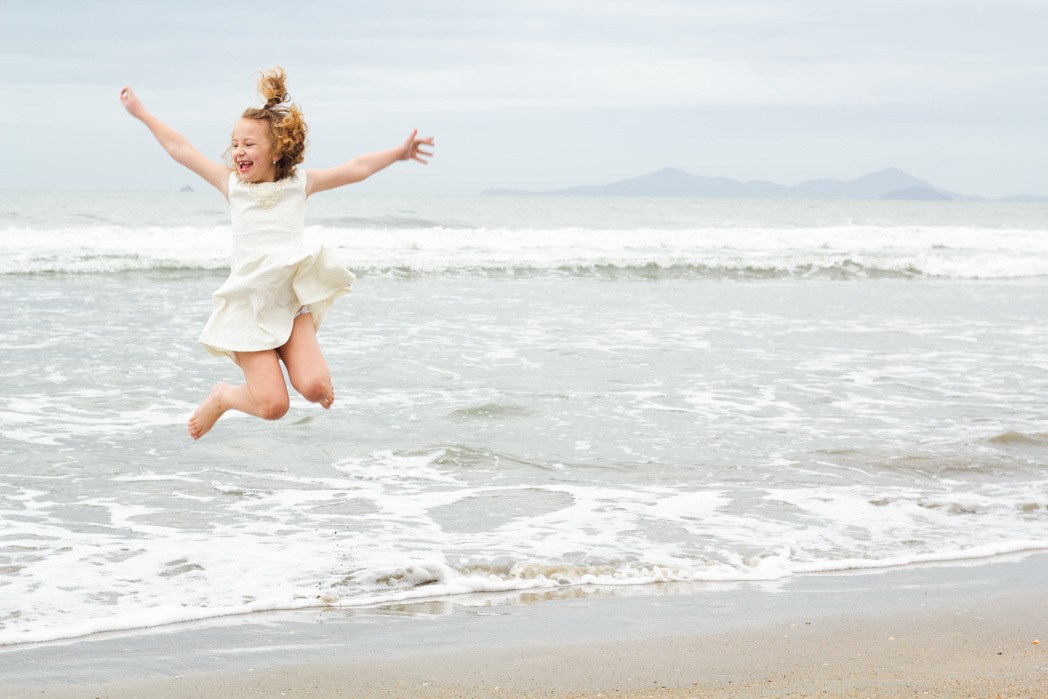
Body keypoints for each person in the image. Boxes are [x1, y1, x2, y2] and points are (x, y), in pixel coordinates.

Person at [120, 67, 434, 440]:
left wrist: (398, 153)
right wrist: (141, 113)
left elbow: (356, 168)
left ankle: (311, 379)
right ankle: (223, 397)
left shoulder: (299, 183)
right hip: (249, 308)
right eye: (235, 143)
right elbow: (181, 150)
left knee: (316, 388)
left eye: (249, 144)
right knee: (274, 407)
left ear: (277, 149)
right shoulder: (231, 185)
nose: (239, 151)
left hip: (290, 303)